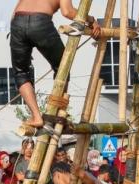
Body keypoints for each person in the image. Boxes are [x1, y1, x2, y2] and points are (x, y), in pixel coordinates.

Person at [11, 0, 99, 128]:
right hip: (40, 23)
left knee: (21, 73)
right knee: (62, 68)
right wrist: (91, 20)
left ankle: (36, 116)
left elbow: (14, 14)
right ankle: (56, 113)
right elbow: (67, 11)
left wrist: (22, 40)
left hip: (17, 23)